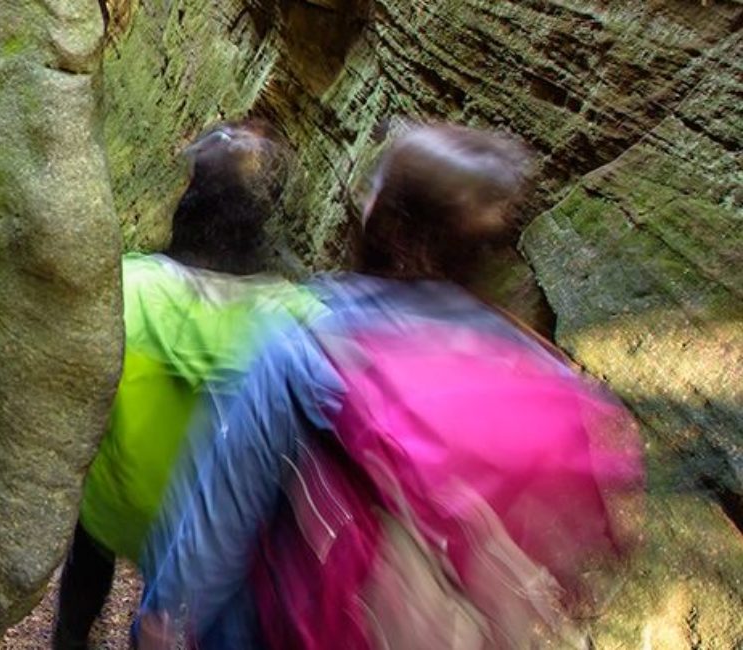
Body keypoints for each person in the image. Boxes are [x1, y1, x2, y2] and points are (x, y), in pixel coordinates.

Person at [133, 123, 641, 648]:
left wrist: (162, 619)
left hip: (296, 625)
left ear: (390, 223)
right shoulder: (538, 374)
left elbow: (222, 517)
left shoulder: (310, 349)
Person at [55, 121, 322, 649]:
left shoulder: (130, 287)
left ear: (187, 201)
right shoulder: (295, 319)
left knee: (87, 549)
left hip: (113, 505)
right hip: (208, 533)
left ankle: (69, 636)